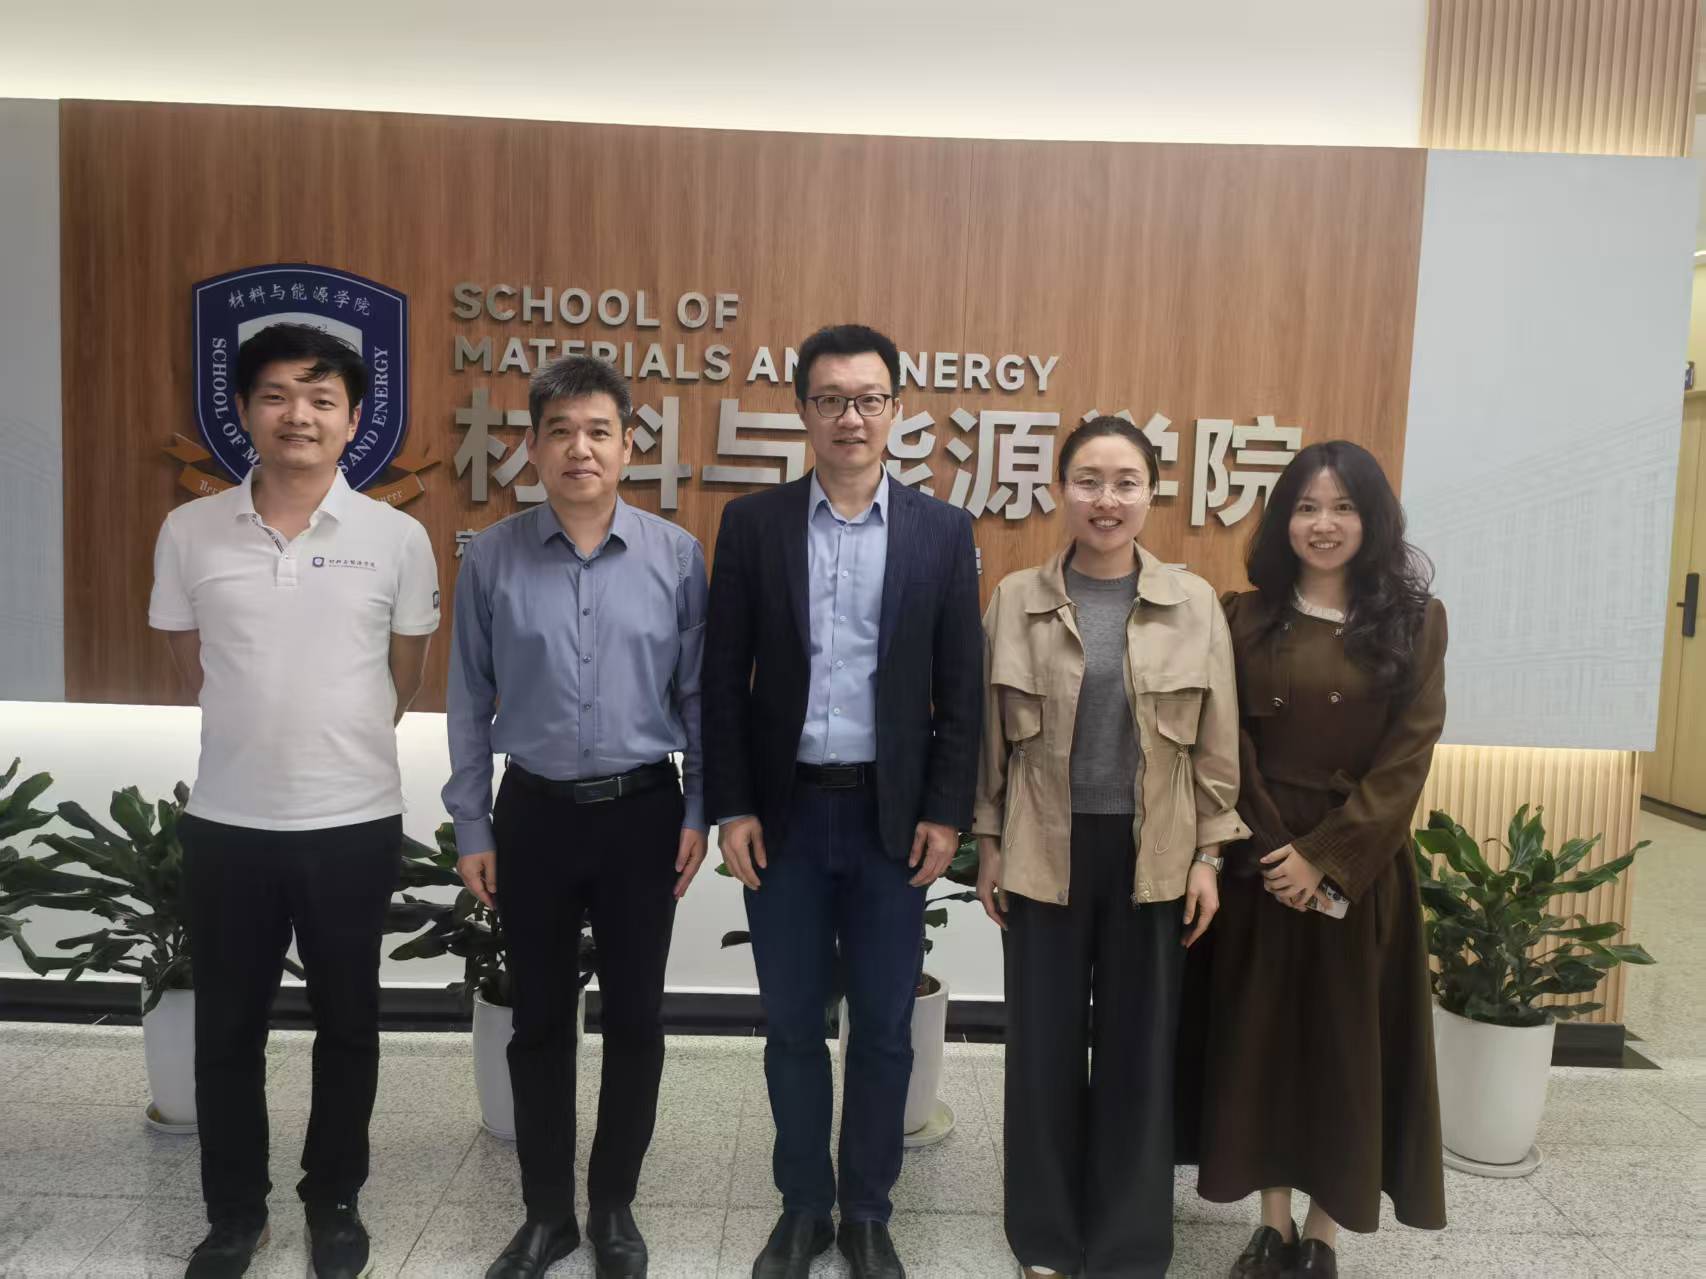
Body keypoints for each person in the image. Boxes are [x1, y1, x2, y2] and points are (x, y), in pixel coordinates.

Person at [149, 322, 439, 1279]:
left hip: (353, 822)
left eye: (321, 398)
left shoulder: (396, 538)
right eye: (275, 395)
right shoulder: (190, 531)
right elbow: (191, 664)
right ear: (242, 411)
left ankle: (334, 1198)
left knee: (349, 1022)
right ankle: (235, 1212)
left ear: (355, 419)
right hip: (228, 823)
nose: (298, 415)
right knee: (227, 1028)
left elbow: (403, 675)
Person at [704, 324, 982, 1279]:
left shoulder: (942, 532)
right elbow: (722, 678)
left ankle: (866, 1210)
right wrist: (731, 805)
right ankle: (802, 1207)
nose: (850, 417)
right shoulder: (754, 525)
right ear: (803, 411)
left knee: (884, 1025)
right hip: (782, 815)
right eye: (830, 399)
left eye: (868, 399)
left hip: (889, 820)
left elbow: (961, 687)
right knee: (790, 1024)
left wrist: (945, 812)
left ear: (896, 410)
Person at [444, 354, 709, 1279]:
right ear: (532, 446)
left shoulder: (677, 556)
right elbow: (467, 697)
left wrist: (701, 807)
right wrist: (471, 824)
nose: (580, 448)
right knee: (540, 1022)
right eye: (559, 431)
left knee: (637, 1018)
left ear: (629, 445)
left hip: (644, 814)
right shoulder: (492, 557)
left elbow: (699, 696)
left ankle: (613, 1205)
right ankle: (547, 1214)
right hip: (535, 816)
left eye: (599, 430)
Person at [972, 415, 1249, 1278]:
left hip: (1154, 854)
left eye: (1126, 482)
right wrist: (988, 842)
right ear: (1061, 489)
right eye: (1088, 480)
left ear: (1152, 493)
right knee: (1043, 1051)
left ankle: (1128, 1242)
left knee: (1139, 1049)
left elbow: (1217, 748)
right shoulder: (1015, 599)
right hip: (1042, 848)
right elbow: (988, 741)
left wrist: (1209, 856)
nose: (1106, 499)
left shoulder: (1194, 604)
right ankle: (1046, 1236)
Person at [1185, 440, 1448, 1279]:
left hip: (1360, 866)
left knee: (1343, 1049)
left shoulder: (1414, 621)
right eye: (1305, 507)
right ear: (1282, 520)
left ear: (1373, 520)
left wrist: (1327, 858)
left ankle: (1324, 1232)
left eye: (1342, 507)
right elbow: (1226, 741)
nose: (1322, 523)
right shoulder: (1244, 614)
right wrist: (1277, 852)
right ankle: (1271, 1224)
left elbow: (1409, 755)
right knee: (1259, 1040)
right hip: (1261, 860)